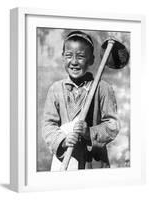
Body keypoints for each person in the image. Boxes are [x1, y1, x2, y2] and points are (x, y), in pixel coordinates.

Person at [42, 31, 120, 171]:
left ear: (91, 60)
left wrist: (89, 132)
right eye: (68, 55)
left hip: (94, 163)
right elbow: (48, 125)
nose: (74, 62)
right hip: (65, 160)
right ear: (62, 58)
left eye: (81, 56)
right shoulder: (56, 89)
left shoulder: (103, 88)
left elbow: (112, 125)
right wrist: (63, 141)